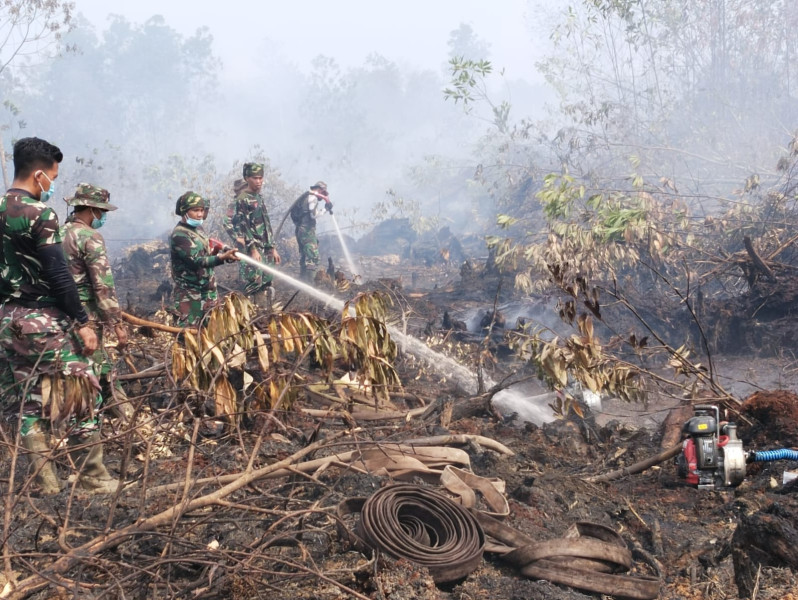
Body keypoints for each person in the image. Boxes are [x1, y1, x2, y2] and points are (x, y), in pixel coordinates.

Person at [0, 137, 117, 495]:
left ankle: (46, 482)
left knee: (26, 399)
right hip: (43, 321)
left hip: (7, 320)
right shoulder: (41, 214)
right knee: (83, 392)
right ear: (39, 175)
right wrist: (82, 323)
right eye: (53, 176)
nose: (53, 183)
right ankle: (94, 477)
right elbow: (59, 274)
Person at [61, 183, 132, 422]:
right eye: (101, 212)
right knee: (95, 368)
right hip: (87, 316)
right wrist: (117, 324)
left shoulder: (57, 233)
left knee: (76, 366)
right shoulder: (90, 237)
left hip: (60, 315)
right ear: (92, 209)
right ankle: (97, 423)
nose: (102, 217)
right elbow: (102, 285)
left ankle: (121, 415)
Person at [170, 191, 238, 325]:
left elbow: (206, 255)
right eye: (195, 210)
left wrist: (219, 252)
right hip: (190, 296)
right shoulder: (179, 235)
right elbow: (196, 261)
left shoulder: (198, 229)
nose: (200, 214)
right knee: (190, 337)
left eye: (201, 210)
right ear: (185, 211)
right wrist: (221, 258)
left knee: (213, 333)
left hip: (208, 292)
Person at [223, 162, 281, 308]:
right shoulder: (242, 199)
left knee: (267, 278)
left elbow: (266, 224)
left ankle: (263, 312)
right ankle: (249, 312)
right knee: (253, 281)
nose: (259, 181)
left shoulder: (258, 197)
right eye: (255, 178)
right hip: (252, 247)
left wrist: (272, 247)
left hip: (264, 246)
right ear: (247, 178)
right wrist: (252, 248)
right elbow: (244, 225)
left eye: (261, 178)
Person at [290, 180, 332, 282]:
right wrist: (325, 210)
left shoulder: (305, 197)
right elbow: (313, 215)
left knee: (305, 256)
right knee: (313, 258)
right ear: (319, 189)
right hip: (307, 231)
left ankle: (303, 281)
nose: (322, 196)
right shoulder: (312, 197)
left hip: (300, 230)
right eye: (323, 193)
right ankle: (310, 285)